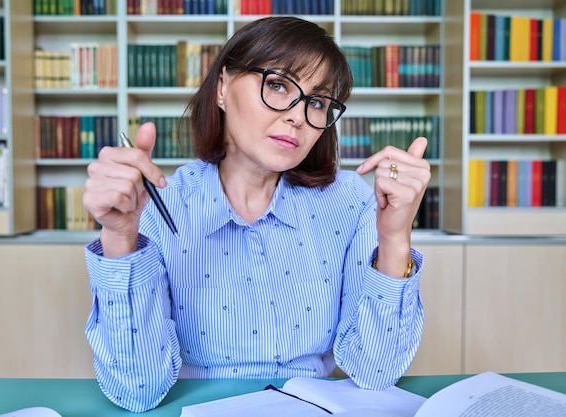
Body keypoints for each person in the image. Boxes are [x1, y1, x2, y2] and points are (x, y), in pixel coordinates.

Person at [82, 16, 431, 412]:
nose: (298, 116)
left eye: (317, 101)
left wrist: (395, 237)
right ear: (222, 87)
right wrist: (119, 236)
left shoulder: (349, 201)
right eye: (279, 84)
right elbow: (137, 390)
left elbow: (375, 371)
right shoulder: (157, 203)